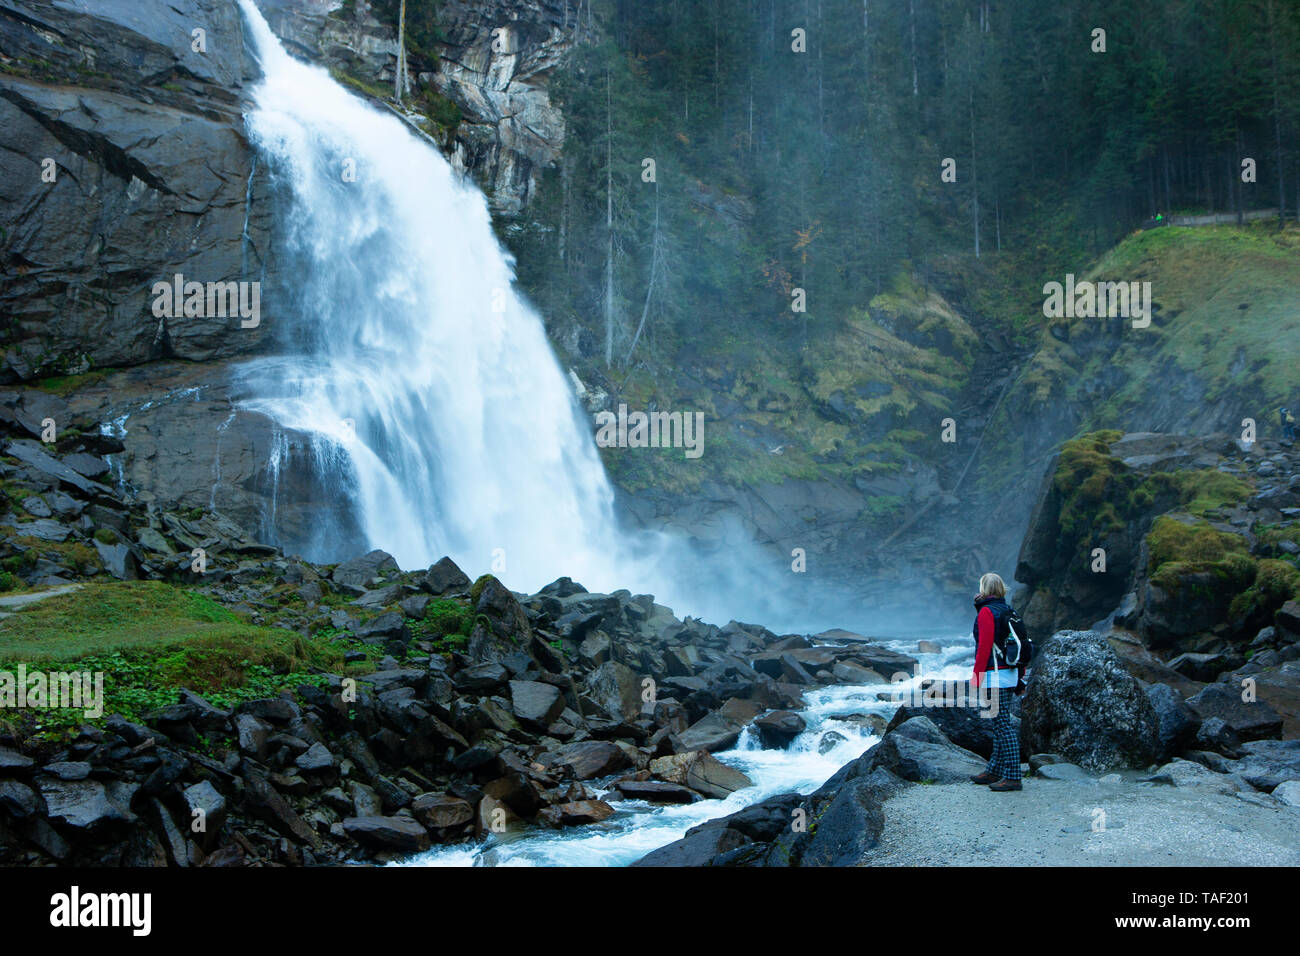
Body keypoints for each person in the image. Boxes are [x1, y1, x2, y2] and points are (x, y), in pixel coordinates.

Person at [968, 572, 1026, 792]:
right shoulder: (1009, 611)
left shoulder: (987, 612)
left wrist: (976, 678)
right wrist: (1020, 678)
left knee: (1002, 725)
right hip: (1009, 674)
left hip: (995, 676)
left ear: (984, 589)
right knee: (998, 722)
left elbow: (984, 648)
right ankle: (994, 769)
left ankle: (1012, 776)